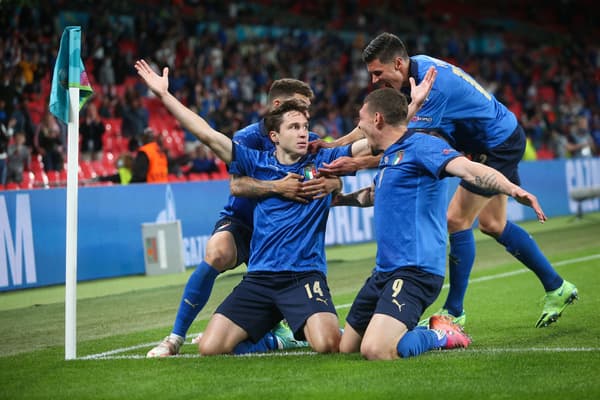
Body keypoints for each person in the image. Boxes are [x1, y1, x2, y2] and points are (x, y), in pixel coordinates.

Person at [317, 32, 577, 329]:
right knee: (493, 225)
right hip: (500, 135)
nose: (374, 80)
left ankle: (454, 311)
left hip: (495, 145)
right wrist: (334, 146)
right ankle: (556, 286)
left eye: (378, 73)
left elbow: (404, 144)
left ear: (398, 63)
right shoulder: (415, 75)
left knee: (456, 220)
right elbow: (378, 125)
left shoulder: (432, 90)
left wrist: (357, 163)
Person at [135, 59, 372, 356]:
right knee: (210, 348)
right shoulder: (254, 159)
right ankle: (260, 337)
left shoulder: (319, 157)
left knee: (327, 345)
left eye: (306, 126)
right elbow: (208, 135)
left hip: (302, 276)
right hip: (258, 271)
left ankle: (291, 331)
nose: (304, 133)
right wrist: (164, 96)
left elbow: (369, 145)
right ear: (275, 134)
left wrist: (405, 115)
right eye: (295, 126)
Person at [335, 88, 548, 360]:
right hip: (384, 271)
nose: (359, 127)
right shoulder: (389, 155)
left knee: (375, 350)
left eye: (360, 120)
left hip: (415, 271)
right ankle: (395, 326)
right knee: (347, 347)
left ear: (377, 119)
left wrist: (512, 189)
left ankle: (442, 334)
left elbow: (471, 170)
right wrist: (340, 201)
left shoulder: (423, 146)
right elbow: (376, 195)